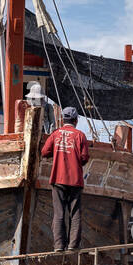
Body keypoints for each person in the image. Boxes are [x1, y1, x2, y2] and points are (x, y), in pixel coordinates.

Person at [41, 107, 90, 252]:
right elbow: (84, 157)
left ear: (63, 120)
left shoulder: (55, 134)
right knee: (74, 213)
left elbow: (44, 152)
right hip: (75, 180)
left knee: (59, 213)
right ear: (75, 120)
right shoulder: (80, 135)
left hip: (58, 178)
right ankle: (73, 245)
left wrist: (56, 154)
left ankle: (58, 246)